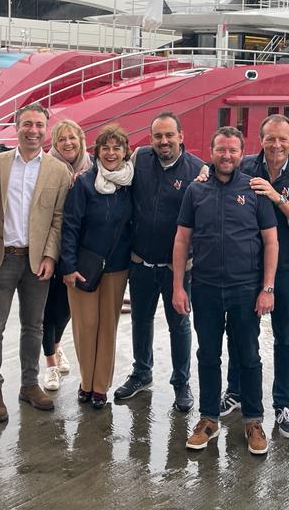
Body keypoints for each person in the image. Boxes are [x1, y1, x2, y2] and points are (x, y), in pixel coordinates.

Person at [173, 126, 279, 456]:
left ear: (242, 154)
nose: (227, 155)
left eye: (233, 150)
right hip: (204, 287)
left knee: (248, 355)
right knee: (207, 354)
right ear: (212, 151)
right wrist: (178, 286)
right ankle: (208, 419)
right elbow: (182, 239)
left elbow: (271, 241)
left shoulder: (255, 189)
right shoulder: (196, 190)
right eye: (221, 149)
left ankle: (253, 420)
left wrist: (267, 288)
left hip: (245, 288)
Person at [219, 114, 289, 439]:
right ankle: (235, 391)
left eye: (282, 139)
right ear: (260, 140)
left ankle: (282, 403)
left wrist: (278, 198)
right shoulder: (245, 166)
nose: (276, 145)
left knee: (284, 335)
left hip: (286, 265)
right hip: (246, 265)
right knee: (239, 330)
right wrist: (204, 172)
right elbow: (217, 179)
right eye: (270, 139)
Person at [0, 104, 72, 422]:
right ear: (16, 127)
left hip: (37, 261)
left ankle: (29, 384)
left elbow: (58, 218)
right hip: (1, 257)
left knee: (34, 326)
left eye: (39, 125)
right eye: (27, 124)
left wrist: (50, 255)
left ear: (46, 129)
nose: (33, 130)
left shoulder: (58, 171)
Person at [113, 112, 205, 412]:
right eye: (157, 136)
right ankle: (142, 372)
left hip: (176, 268)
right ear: (151, 138)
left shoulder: (197, 170)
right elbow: (110, 169)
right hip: (140, 261)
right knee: (141, 320)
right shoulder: (139, 158)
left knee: (179, 325)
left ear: (181, 136)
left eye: (169, 135)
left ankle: (181, 382)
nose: (163, 141)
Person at [59, 123, 133, 409]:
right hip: (83, 266)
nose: (111, 153)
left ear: (125, 152)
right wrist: (68, 266)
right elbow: (70, 226)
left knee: (107, 328)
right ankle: (86, 382)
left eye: (117, 148)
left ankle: (100, 387)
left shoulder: (130, 183)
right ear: (97, 151)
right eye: (105, 148)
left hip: (117, 266)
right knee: (85, 325)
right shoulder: (84, 183)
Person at [40, 118, 92, 391]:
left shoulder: (92, 166)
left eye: (72, 138)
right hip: (51, 248)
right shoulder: (47, 168)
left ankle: (57, 345)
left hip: (79, 250)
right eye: (62, 139)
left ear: (81, 140)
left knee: (66, 309)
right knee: (48, 310)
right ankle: (50, 363)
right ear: (55, 144)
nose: (68, 143)